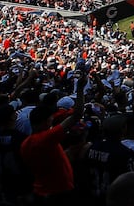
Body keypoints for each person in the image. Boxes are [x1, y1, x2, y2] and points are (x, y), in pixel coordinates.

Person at [21, 68, 88, 204]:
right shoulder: (46, 138)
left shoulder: (26, 143)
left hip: (42, 190)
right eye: (50, 119)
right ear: (45, 121)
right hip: (56, 193)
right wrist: (80, 88)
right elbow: (76, 115)